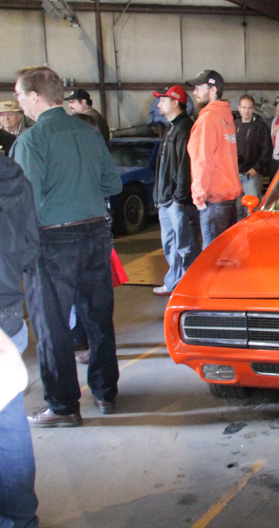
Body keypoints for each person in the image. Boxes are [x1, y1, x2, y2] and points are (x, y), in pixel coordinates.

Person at [11, 66, 122, 427]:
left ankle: (63, 406)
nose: (17, 102)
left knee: (52, 325)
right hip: (95, 235)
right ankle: (106, 392)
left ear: (34, 96)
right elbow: (112, 184)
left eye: (19, 95)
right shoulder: (89, 133)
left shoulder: (31, 141)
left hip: (54, 240)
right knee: (98, 317)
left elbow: (26, 201)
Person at [0, 153, 40, 527]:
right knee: (9, 423)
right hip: (7, 315)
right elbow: (30, 248)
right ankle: (21, 517)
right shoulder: (11, 174)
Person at [151, 85, 200, 296]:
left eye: (163, 100)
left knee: (184, 245)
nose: (159, 104)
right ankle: (174, 283)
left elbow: (184, 166)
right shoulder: (171, 128)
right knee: (171, 244)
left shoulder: (184, 128)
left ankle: (187, 286)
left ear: (175, 102)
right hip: (167, 199)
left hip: (176, 201)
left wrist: (179, 197)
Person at [185, 70, 241, 249]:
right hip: (228, 200)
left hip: (214, 202)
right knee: (227, 256)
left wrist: (198, 197)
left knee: (212, 258)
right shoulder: (226, 118)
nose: (194, 92)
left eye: (198, 87)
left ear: (212, 90)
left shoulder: (207, 120)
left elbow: (201, 161)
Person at [235, 95, 272, 219]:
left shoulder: (260, 126)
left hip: (252, 175)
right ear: (239, 108)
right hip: (235, 175)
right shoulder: (234, 125)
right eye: (244, 107)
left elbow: (267, 150)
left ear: (253, 109)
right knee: (237, 208)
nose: (246, 111)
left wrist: (257, 168)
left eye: (249, 108)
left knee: (253, 210)